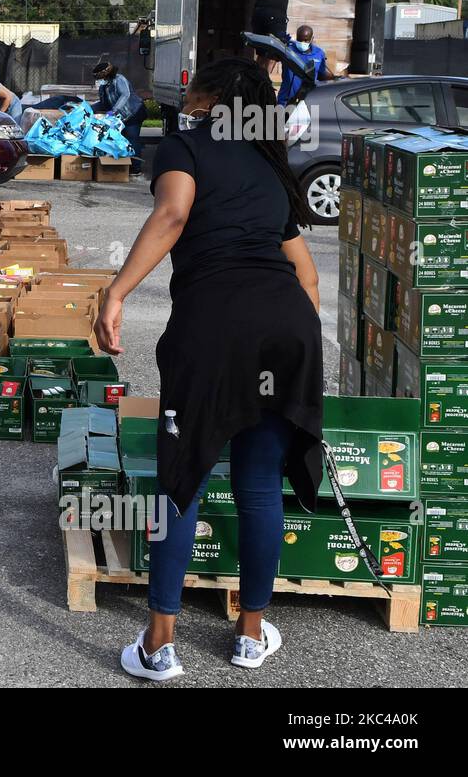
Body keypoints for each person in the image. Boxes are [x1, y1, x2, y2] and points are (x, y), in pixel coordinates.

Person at [92, 56, 323, 682]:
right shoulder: (268, 166)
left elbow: (172, 216)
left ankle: (159, 645)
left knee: (183, 479)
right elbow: (307, 276)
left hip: (213, 332)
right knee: (257, 485)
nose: (185, 89)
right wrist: (282, 333)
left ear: (211, 97)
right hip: (287, 332)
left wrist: (116, 292)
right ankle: (250, 634)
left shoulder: (183, 147)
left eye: (195, 82)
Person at [91, 61, 146, 176]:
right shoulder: (103, 87)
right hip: (120, 117)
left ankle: (136, 168)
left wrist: (114, 111)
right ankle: (124, 165)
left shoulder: (119, 79)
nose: (99, 81)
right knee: (121, 140)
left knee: (132, 139)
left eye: (100, 78)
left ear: (106, 75)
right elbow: (103, 104)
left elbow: (125, 94)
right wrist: (88, 108)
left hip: (133, 113)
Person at [276, 24, 333, 106]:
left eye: (306, 40)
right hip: (285, 101)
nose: (302, 43)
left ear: (312, 39)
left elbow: (322, 74)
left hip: (309, 102)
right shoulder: (287, 49)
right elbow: (272, 56)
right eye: (300, 40)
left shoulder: (319, 53)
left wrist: (335, 79)